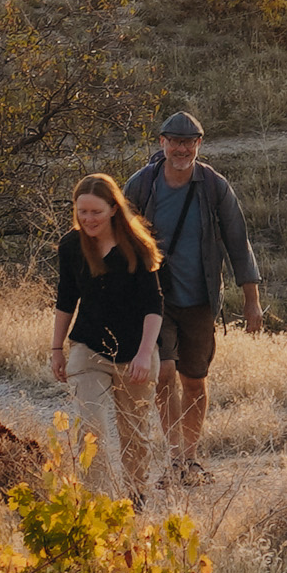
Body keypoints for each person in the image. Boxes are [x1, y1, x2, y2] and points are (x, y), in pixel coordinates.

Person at [125, 109, 261, 484]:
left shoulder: (215, 186)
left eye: (189, 142)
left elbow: (238, 242)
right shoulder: (142, 184)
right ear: (162, 143)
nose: (181, 149)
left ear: (199, 144)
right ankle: (173, 459)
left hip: (200, 298)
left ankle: (190, 458)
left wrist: (251, 300)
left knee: (195, 380)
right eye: (175, 141)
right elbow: (118, 236)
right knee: (165, 372)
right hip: (156, 298)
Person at [47, 171, 166, 503]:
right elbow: (66, 298)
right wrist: (57, 348)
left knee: (135, 434)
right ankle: (96, 503)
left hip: (135, 350)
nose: (88, 219)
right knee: (92, 426)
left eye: (95, 212)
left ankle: (135, 497)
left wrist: (145, 354)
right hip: (88, 347)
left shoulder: (138, 247)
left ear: (114, 208)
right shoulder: (72, 246)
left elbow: (153, 305)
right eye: (81, 212)